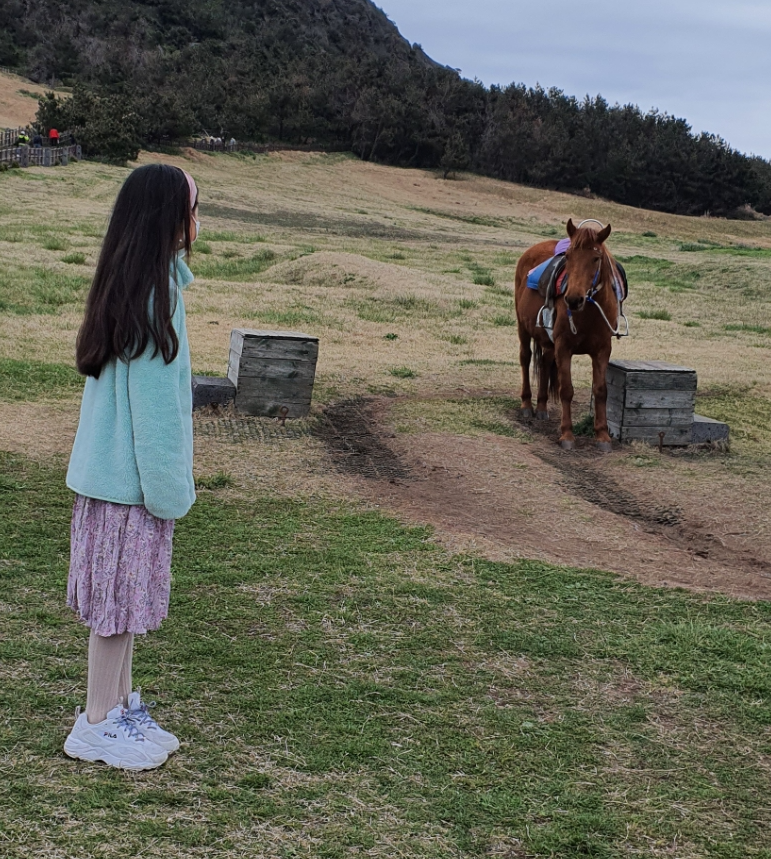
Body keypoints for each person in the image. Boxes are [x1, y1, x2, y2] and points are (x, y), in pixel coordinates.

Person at [63, 164, 200, 771]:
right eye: (193, 208)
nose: (197, 222)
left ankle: (118, 710)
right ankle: (96, 723)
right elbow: (157, 410)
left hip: (112, 480)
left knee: (122, 607)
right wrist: (170, 490)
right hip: (130, 487)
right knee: (115, 612)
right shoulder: (155, 298)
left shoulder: (131, 283)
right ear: (166, 218)